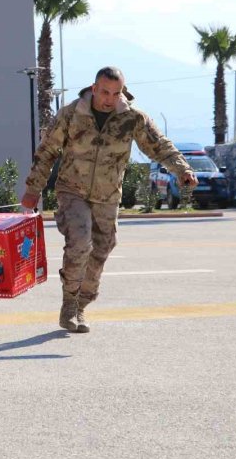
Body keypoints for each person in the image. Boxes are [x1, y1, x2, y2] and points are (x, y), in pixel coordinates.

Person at [21, 66, 198, 333]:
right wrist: (33, 189)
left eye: (115, 93)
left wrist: (182, 169)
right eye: (105, 92)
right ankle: (68, 303)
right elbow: (47, 151)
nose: (109, 98)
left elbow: (159, 146)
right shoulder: (71, 114)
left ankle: (82, 304)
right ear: (94, 89)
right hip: (72, 190)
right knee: (80, 242)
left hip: (108, 195)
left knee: (102, 249)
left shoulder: (132, 118)